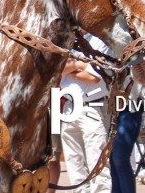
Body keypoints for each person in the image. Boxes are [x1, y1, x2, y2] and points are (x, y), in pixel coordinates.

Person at [59, 54, 110, 193]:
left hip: (93, 106)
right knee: (74, 162)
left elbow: (93, 77)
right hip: (69, 106)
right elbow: (58, 69)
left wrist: (71, 69)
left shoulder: (99, 43)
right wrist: (79, 65)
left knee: (97, 162)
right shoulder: (69, 44)